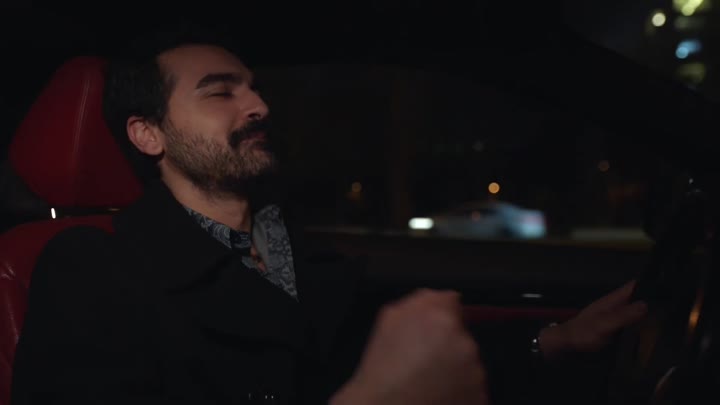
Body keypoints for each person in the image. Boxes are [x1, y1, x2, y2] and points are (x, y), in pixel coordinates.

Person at [10, 27, 646, 405]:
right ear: (148, 135)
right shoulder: (93, 269)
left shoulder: (294, 247)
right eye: (221, 91)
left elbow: (390, 354)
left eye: (254, 87)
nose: (258, 106)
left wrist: (555, 340)